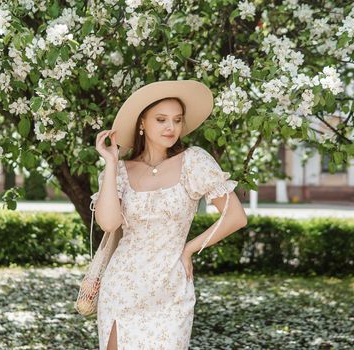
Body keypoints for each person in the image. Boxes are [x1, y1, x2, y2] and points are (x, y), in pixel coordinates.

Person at [90, 80, 248, 350]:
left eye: (177, 120)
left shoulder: (194, 161)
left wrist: (189, 249)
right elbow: (108, 222)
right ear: (142, 123)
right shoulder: (120, 171)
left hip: (171, 288)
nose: (170, 127)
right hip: (122, 287)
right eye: (161, 119)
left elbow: (235, 217)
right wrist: (111, 162)